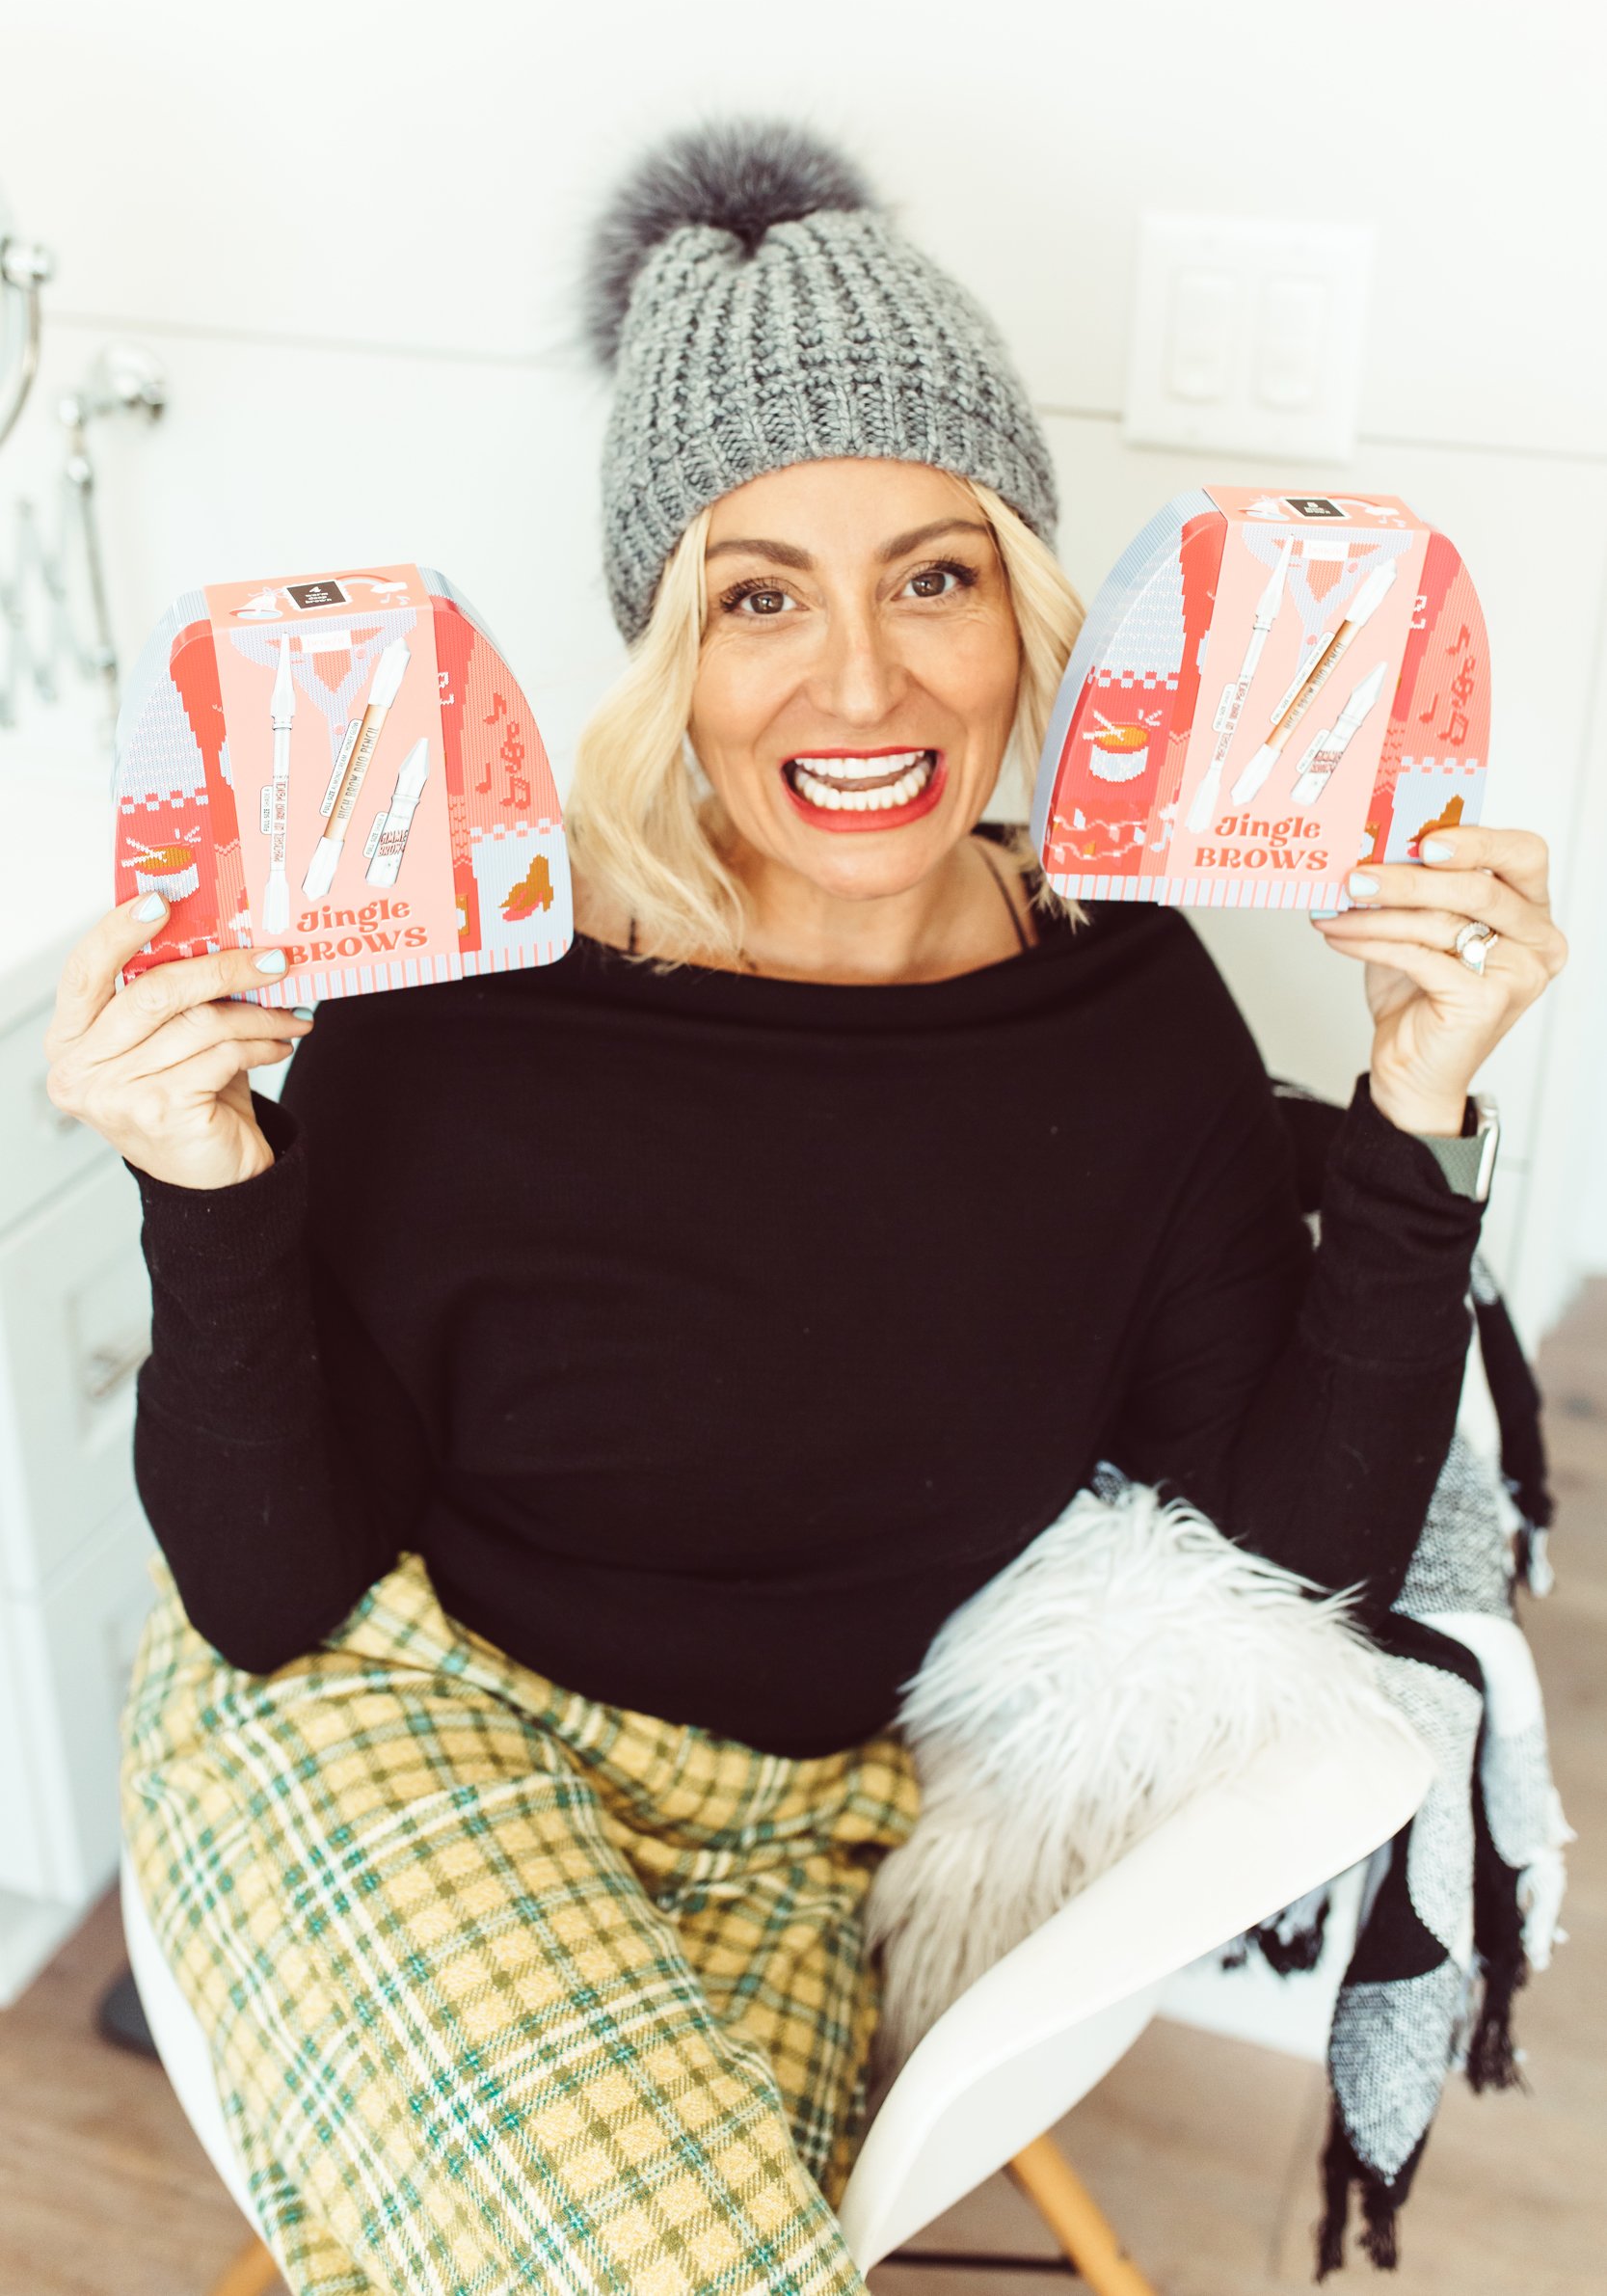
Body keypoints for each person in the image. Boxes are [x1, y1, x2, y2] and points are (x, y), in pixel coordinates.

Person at [46, 118, 1566, 2296]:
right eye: (759, 595)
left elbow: (1289, 1546)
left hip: (799, 1821)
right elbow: (275, 1592)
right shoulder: (469, 990)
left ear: (1033, 604)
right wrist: (202, 1179)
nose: (861, 685)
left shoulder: (1134, 1014)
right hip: (392, 1718)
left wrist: (1416, 1109)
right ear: (664, 642)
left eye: (932, 575)